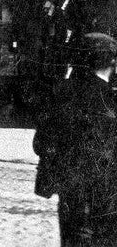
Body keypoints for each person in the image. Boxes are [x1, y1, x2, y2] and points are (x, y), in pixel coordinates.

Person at [33, 32, 117, 245]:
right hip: (109, 200)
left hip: (72, 196)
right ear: (111, 63)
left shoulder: (61, 94)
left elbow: (40, 143)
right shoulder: (111, 99)